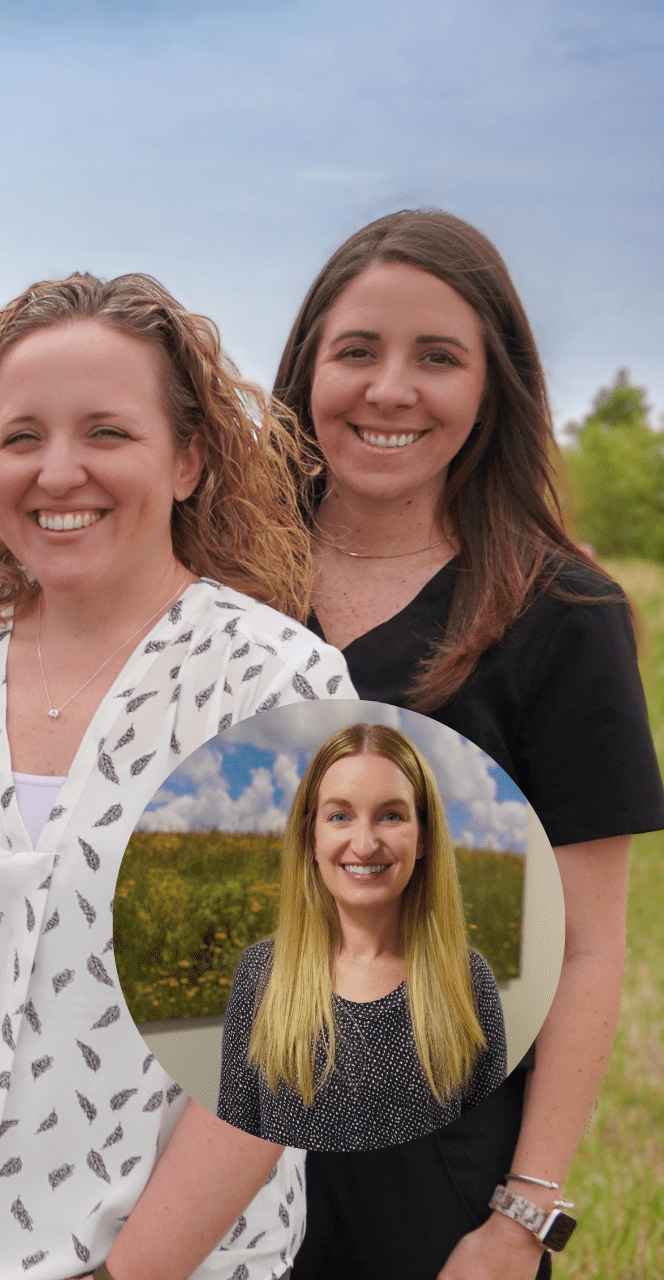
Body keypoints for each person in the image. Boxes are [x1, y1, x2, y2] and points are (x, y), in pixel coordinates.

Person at [0, 271, 356, 1280]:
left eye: (107, 433)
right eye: (22, 437)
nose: (57, 470)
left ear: (190, 459)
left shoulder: (279, 686)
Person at [275, 210, 664, 1278]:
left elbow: (587, 948)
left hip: (437, 1182)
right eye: (357, 350)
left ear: (494, 387)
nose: (389, 389)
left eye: (437, 357)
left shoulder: (561, 612)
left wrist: (519, 1218)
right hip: (213, 1153)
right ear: (308, 366)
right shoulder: (221, 578)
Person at [217, 722, 507, 1152]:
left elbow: (485, 1150)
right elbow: (231, 1147)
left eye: (391, 815)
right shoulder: (262, 974)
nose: (365, 844)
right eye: (339, 816)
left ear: (424, 837)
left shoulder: (469, 982)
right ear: (310, 837)